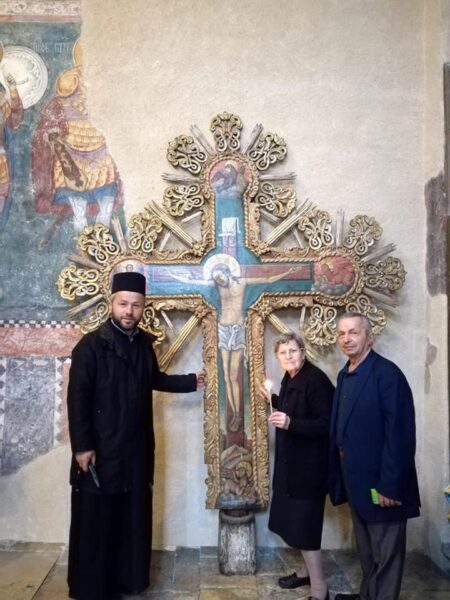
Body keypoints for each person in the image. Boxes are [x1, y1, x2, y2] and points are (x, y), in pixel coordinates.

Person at [67, 271, 204, 600]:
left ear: (143, 307)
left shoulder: (143, 344)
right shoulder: (90, 346)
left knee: (130, 516)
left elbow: (153, 378)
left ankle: (127, 581)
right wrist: (82, 447)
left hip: (135, 450)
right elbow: (77, 399)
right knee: (99, 520)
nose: (129, 311)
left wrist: (191, 381)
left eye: (136, 305)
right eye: (124, 304)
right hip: (100, 450)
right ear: (112, 303)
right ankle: (94, 588)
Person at [329, 312, 420, 600]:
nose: (347, 339)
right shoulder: (345, 373)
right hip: (356, 481)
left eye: (353, 332)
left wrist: (389, 486)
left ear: (370, 337)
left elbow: (400, 435)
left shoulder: (387, 375)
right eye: (342, 333)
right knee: (368, 551)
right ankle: (368, 595)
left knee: (386, 555)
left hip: (382, 483)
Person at [261, 331, 334, 600]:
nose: (288, 356)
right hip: (291, 468)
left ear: (303, 352)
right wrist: (272, 399)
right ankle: (306, 572)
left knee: (306, 528)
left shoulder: (316, 380)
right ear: (278, 357)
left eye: (293, 350)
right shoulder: (290, 377)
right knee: (294, 524)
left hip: (309, 470)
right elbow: (294, 409)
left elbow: (327, 424)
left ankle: (319, 587)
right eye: (283, 353)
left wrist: (290, 423)